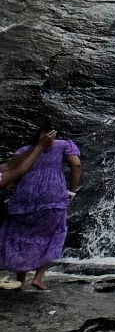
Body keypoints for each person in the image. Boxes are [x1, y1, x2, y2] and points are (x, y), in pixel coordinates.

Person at [0, 124, 82, 291]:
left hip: (25, 197)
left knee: (19, 235)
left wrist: (8, 195)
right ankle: (38, 278)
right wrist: (72, 191)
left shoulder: (25, 151)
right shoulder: (64, 145)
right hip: (53, 195)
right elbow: (76, 164)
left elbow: (12, 173)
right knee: (54, 234)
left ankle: (20, 280)